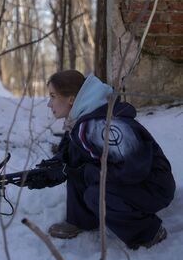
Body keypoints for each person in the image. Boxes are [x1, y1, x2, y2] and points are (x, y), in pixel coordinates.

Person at [36, 70, 176, 250]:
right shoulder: (80, 122)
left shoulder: (102, 127)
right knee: (76, 169)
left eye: (53, 96)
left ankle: (148, 233)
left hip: (153, 187)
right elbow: (71, 156)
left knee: (95, 193)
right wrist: (50, 170)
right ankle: (83, 220)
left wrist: (89, 172)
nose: (49, 103)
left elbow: (135, 169)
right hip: (133, 182)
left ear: (71, 99)